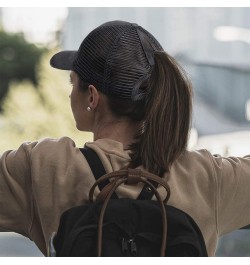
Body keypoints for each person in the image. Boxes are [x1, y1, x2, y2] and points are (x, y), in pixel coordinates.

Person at [0, 20, 249, 257]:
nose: (69, 95)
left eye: (72, 83)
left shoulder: (43, 167)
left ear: (92, 98)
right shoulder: (207, 177)